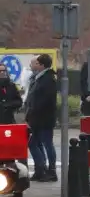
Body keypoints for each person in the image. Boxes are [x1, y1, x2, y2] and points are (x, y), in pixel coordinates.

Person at [25, 54, 59, 182]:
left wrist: (33, 111)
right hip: (37, 118)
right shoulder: (39, 78)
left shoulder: (48, 79)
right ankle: (41, 169)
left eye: (37, 63)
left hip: (44, 118)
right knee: (34, 143)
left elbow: (45, 100)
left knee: (47, 143)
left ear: (42, 65)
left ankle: (50, 170)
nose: (34, 65)